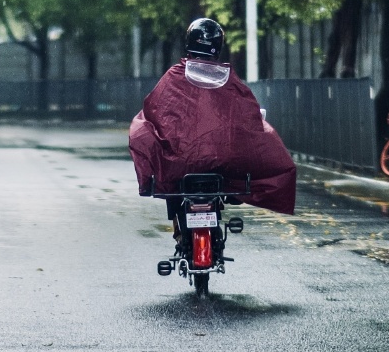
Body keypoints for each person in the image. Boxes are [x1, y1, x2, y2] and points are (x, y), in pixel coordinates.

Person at [127, 18, 296, 218]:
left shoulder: (174, 75)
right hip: (222, 161)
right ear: (218, 46)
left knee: (172, 185)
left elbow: (154, 109)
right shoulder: (229, 79)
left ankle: (178, 229)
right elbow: (247, 111)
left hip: (181, 162)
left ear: (189, 42)